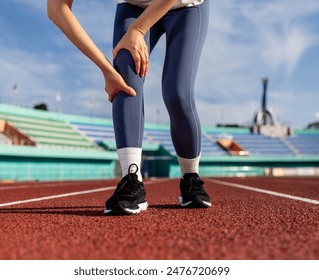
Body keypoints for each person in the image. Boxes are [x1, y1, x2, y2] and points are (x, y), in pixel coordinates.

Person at [47, 0, 211, 215]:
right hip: (133, 7)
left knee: (177, 93)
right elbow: (56, 9)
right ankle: (131, 178)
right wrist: (106, 70)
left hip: (186, 7)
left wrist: (138, 29)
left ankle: (191, 177)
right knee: (124, 79)